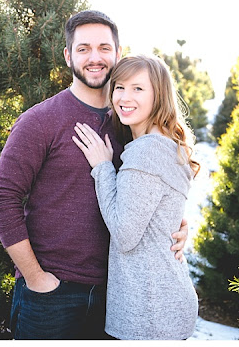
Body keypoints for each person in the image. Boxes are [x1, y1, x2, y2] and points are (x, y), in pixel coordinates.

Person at [0, 11, 190, 340]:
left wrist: (176, 226)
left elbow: (149, 191)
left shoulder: (130, 123)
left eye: (104, 48)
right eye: (83, 49)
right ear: (68, 55)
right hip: (53, 296)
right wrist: (36, 278)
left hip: (117, 296)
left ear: (118, 52)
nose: (95, 58)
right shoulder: (41, 120)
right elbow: (1, 200)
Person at [72, 54, 200, 340]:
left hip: (149, 313)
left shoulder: (146, 151)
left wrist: (103, 168)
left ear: (159, 95)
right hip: (165, 302)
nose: (124, 97)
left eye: (138, 88)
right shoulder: (166, 144)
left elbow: (124, 235)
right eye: (119, 87)